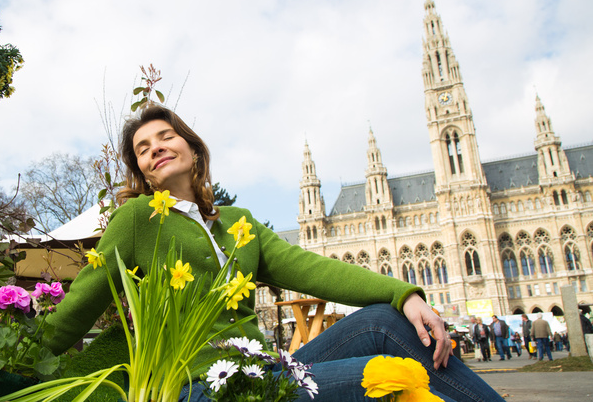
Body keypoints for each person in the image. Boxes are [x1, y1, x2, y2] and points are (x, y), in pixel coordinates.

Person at [45, 104, 504, 402]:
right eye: (143, 149)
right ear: (142, 172)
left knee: (386, 322)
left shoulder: (238, 222)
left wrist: (406, 296)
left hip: (264, 369)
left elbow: (315, 269)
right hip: (202, 389)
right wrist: (18, 362)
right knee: (386, 374)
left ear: (190, 146)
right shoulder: (137, 220)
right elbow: (82, 302)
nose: (155, 149)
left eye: (165, 137)